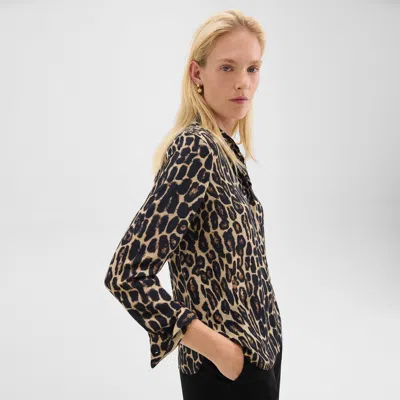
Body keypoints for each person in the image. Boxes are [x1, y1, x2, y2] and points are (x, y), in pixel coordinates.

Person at [104, 9, 283, 400]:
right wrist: (221, 352)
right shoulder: (196, 148)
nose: (243, 82)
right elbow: (126, 274)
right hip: (227, 372)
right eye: (227, 68)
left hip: (258, 356)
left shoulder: (226, 152)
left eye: (252, 69)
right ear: (197, 73)